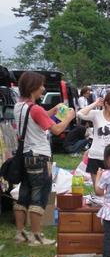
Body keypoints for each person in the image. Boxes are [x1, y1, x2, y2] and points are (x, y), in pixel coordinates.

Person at [14, 71, 75, 245]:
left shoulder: (21, 106)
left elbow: (34, 119)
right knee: (39, 195)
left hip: (25, 155)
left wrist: (53, 111)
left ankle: (20, 233)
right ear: (33, 87)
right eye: (41, 85)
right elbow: (56, 130)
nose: (43, 89)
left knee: (23, 194)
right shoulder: (36, 109)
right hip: (39, 156)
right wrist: (69, 117)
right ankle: (36, 236)